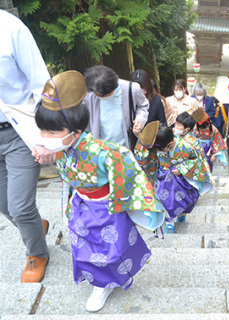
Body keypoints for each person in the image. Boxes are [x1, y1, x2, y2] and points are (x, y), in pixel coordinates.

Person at [35, 70, 165, 312]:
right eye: (43, 132)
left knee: (110, 249)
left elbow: (128, 165)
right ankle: (101, 281)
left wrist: (127, 203)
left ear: (74, 131)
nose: (46, 138)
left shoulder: (102, 152)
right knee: (85, 247)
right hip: (80, 204)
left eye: (52, 133)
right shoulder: (66, 148)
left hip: (105, 207)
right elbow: (68, 178)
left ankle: (105, 284)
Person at [0, 9, 51, 283]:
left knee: (19, 206)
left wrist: (44, 136)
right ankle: (35, 228)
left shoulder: (10, 29)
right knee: (4, 205)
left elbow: (42, 84)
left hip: (19, 131)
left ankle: (37, 252)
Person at [134, 122, 212, 232]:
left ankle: (181, 215)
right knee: (164, 200)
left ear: (170, 144)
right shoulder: (160, 143)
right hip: (163, 178)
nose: (157, 152)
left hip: (182, 179)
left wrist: (181, 168)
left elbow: (196, 160)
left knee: (183, 200)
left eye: (159, 149)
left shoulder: (185, 147)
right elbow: (145, 152)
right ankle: (169, 223)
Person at [83, 65, 149, 149]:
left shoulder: (131, 89)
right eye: (101, 96)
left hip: (125, 148)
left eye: (108, 95)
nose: (105, 97)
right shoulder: (89, 96)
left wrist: (139, 119)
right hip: (101, 150)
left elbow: (143, 106)